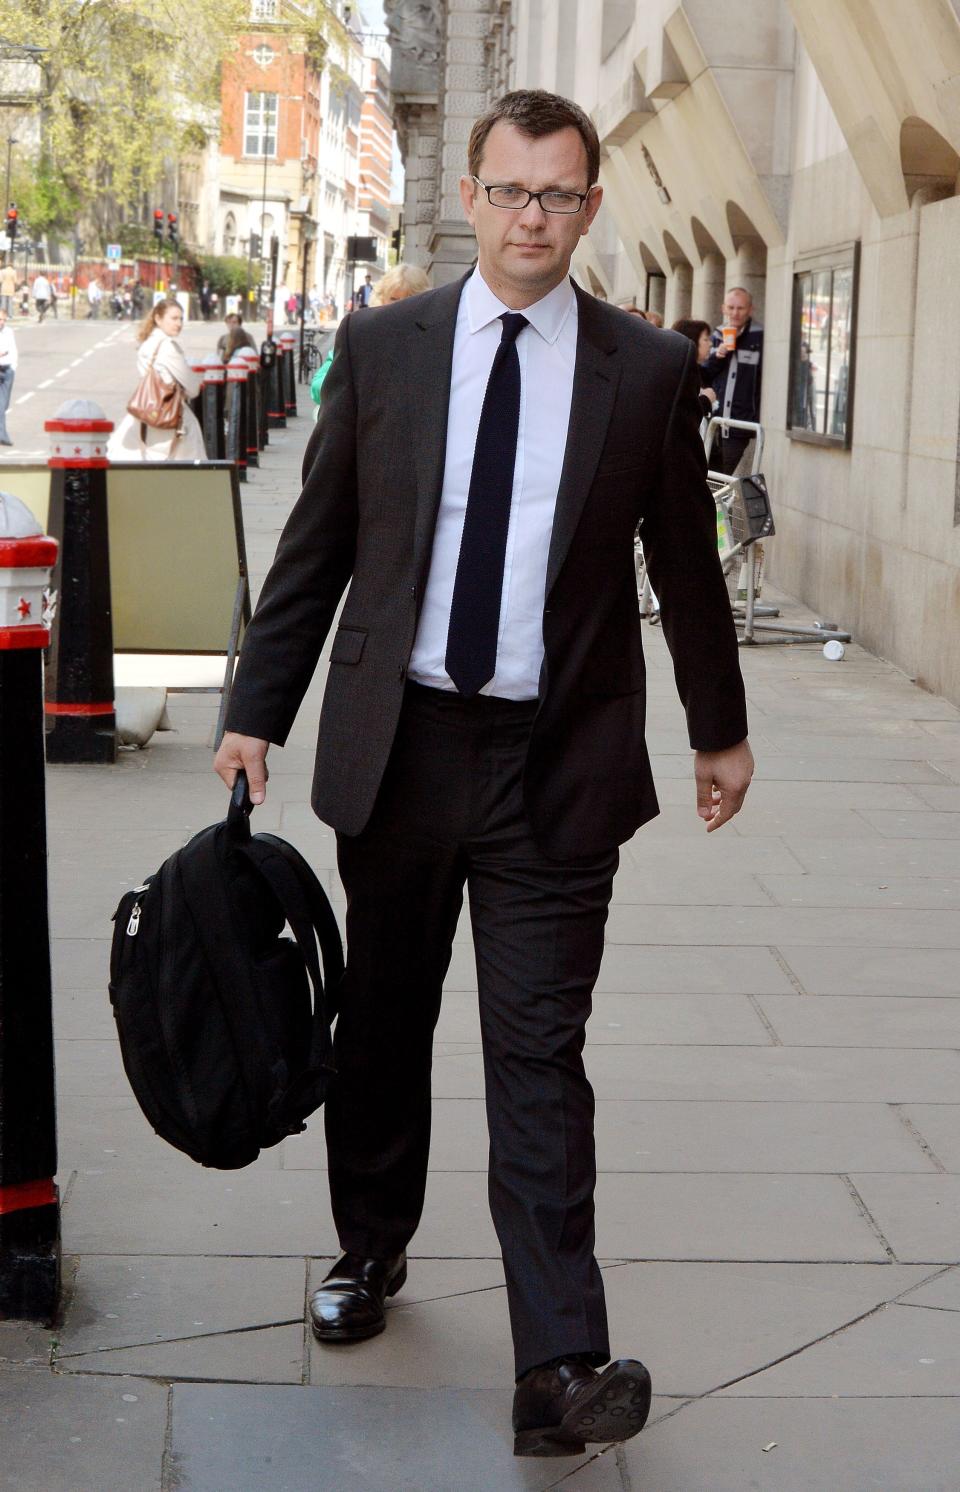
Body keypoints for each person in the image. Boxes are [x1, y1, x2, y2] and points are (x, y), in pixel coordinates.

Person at [214, 88, 752, 1459]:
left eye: (558, 197)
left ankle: (560, 1362)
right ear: (474, 192)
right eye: (510, 193)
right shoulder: (387, 347)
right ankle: (368, 1250)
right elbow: (317, 547)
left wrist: (717, 724)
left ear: (591, 205)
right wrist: (254, 709)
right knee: (383, 1030)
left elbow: (685, 563)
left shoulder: (641, 369)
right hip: (400, 749)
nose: (530, 220)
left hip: (556, 765)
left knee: (538, 1053)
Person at [107, 299, 205, 462]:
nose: (179, 323)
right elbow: (193, 388)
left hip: (145, 411)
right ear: (158, 319)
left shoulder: (147, 343)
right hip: (169, 413)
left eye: (181, 319)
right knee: (185, 466)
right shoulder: (168, 347)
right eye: (174, 318)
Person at [700, 286, 763, 474]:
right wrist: (717, 356)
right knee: (706, 475)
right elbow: (704, 375)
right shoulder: (716, 336)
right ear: (723, 309)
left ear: (750, 309)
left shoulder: (759, 337)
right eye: (731, 307)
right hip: (714, 421)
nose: (735, 313)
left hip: (739, 425)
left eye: (741, 308)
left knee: (719, 477)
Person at [671, 318, 717, 420]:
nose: (710, 344)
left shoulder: (695, 370)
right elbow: (684, 413)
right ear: (693, 341)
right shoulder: (681, 374)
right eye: (706, 339)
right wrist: (706, 400)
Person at [0, 307, 17, 445]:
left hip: (8, 370)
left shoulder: (9, 332)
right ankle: (3, 436)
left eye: (3, 319)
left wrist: (13, 367)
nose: (1, 322)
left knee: (4, 405)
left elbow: (12, 350)